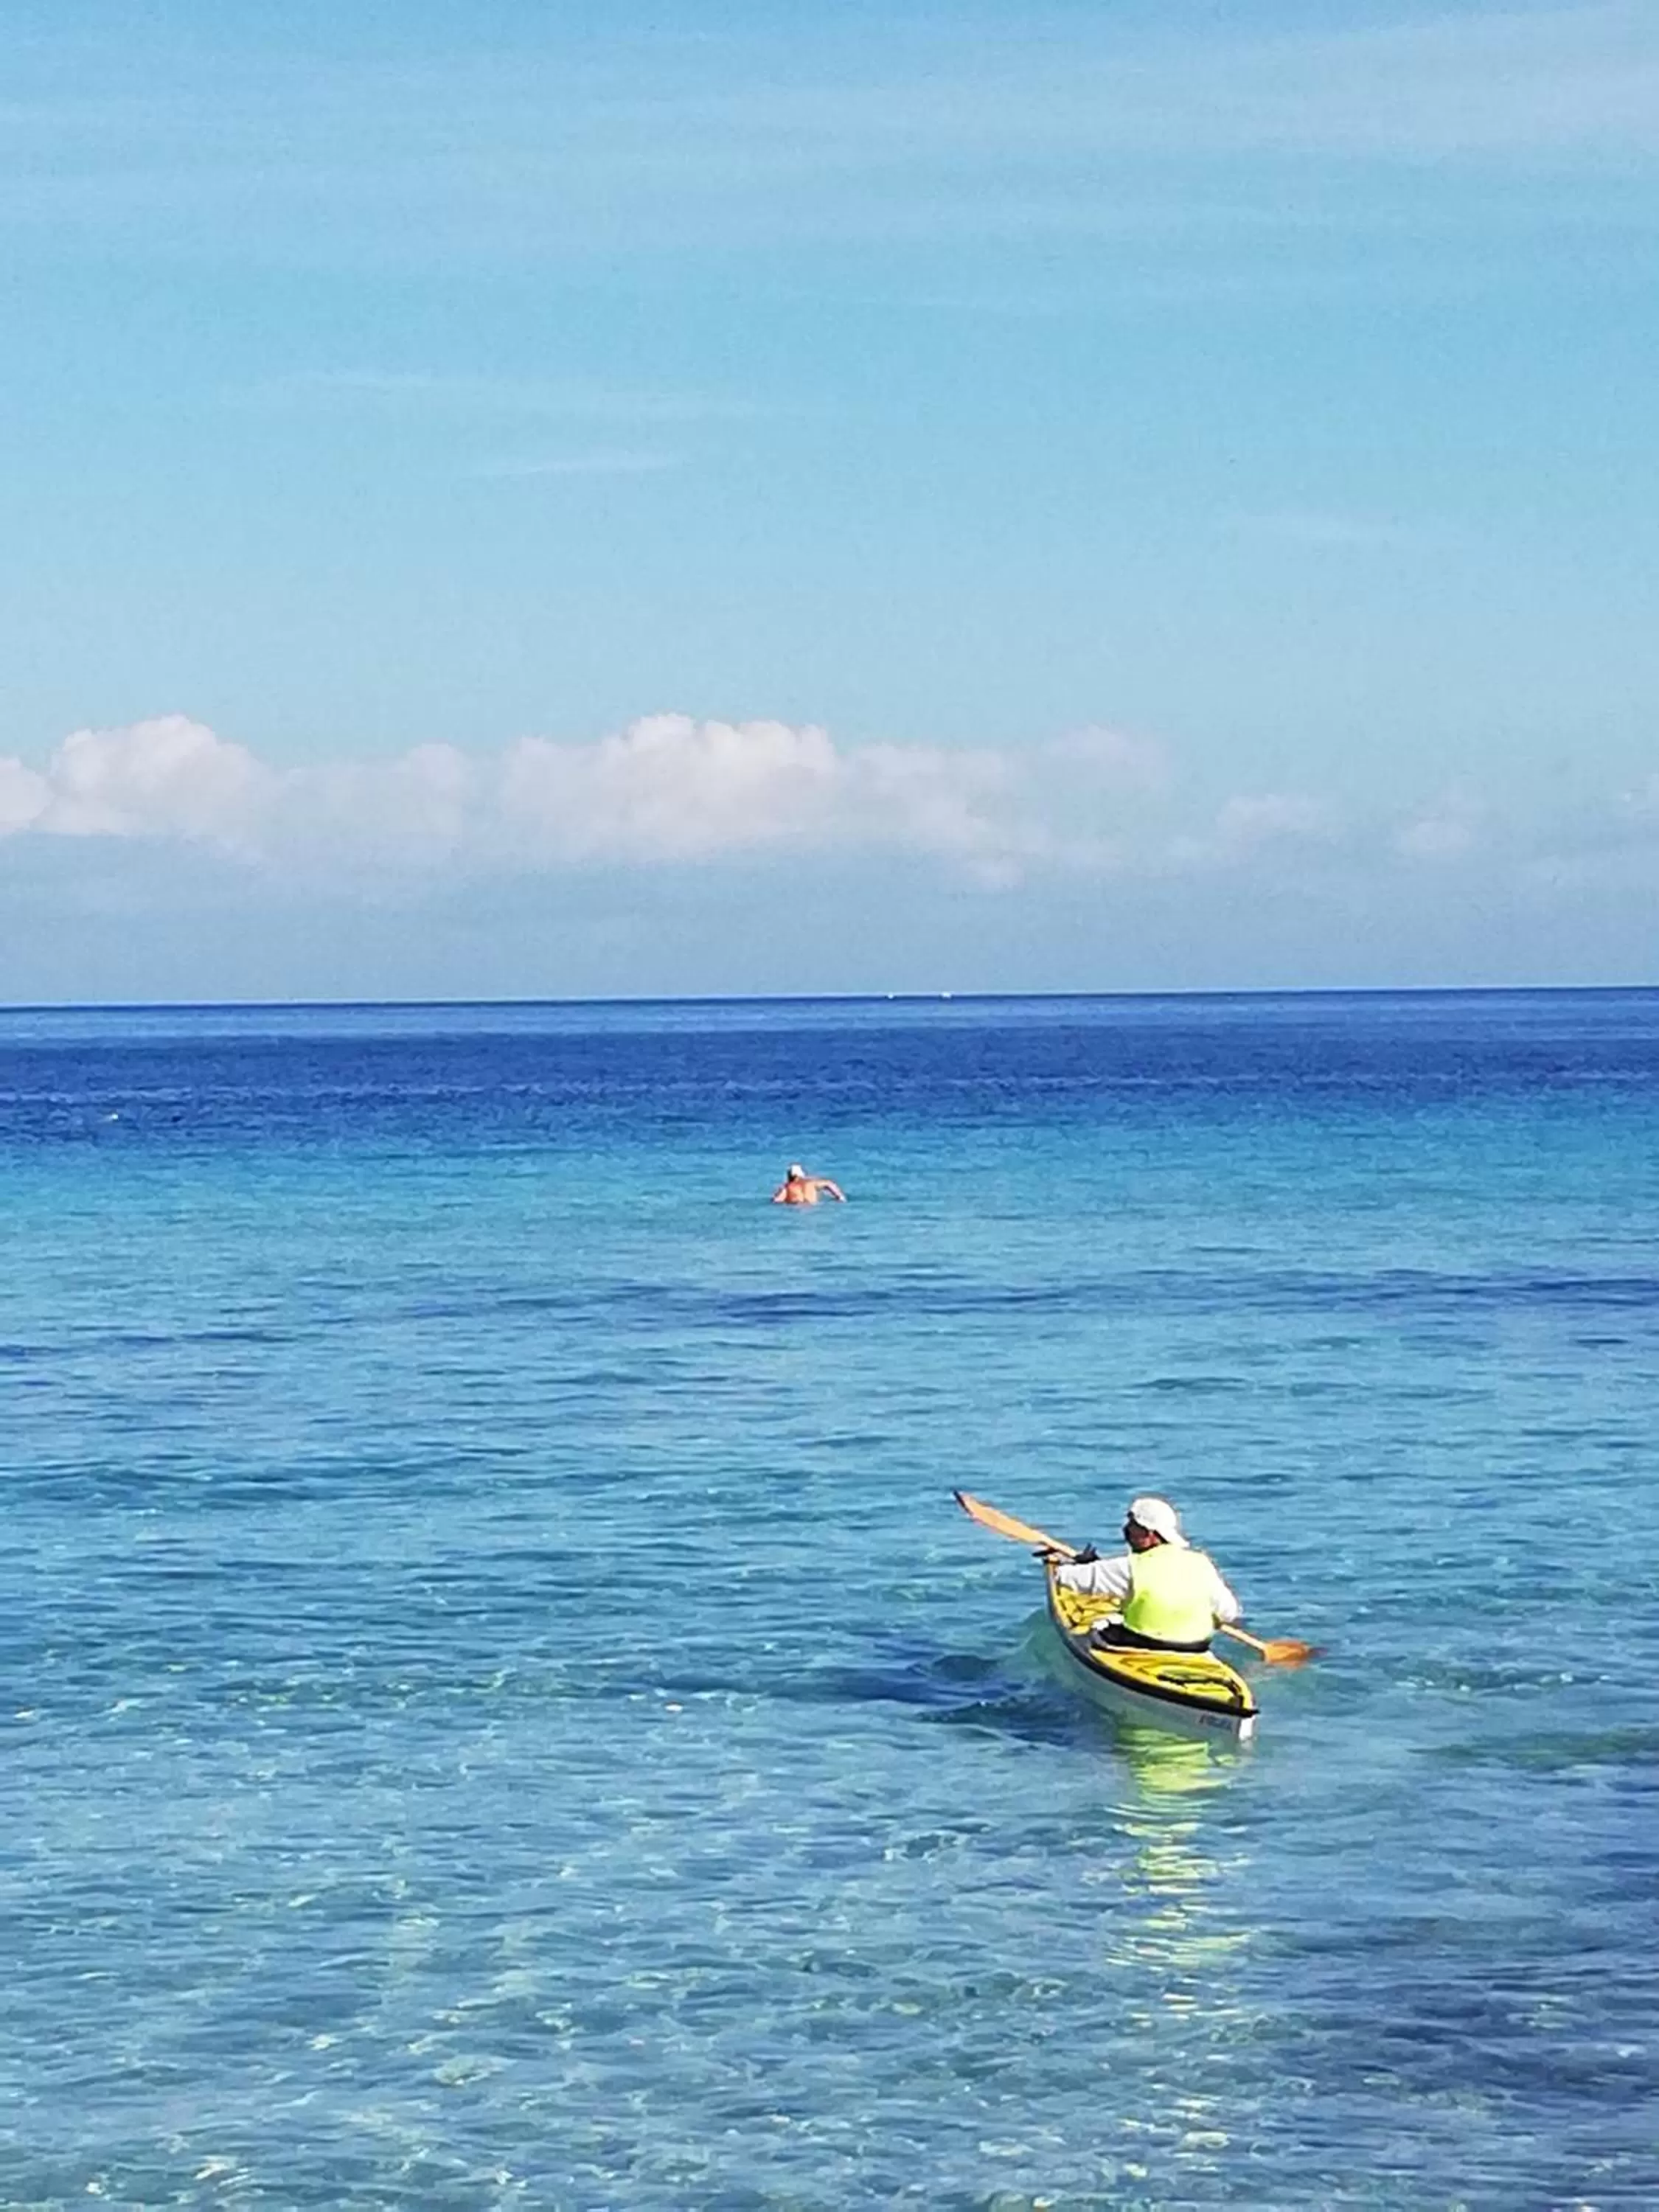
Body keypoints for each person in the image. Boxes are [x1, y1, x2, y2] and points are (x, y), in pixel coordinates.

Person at [1050, 1495, 1240, 1653]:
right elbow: (1228, 1613)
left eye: (1132, 1525)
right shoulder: (1201, 1563)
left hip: (1143, 1644)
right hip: (1195, 1648)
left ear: (1149, 1534)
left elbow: (1063, 1577)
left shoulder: (1128, 1567)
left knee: (1095, 1629)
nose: (1126, 1529)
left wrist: (1065, 1563)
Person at [771, 1162, 846, 1206]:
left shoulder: (787, 1187)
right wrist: (839, 1196)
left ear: (789, 1176)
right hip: (812, 1207)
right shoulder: (812, 1183)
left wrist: (776, 1195)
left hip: (796, 1209)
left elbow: (777, 1201)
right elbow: (829, 1183)